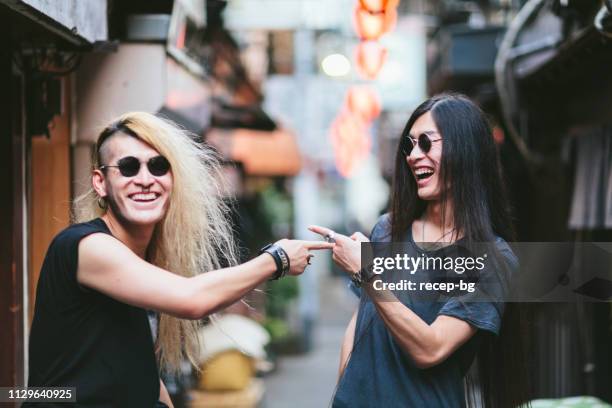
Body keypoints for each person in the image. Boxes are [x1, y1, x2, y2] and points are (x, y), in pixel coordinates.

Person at [25, 112, 333, 407]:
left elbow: (140, 370)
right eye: (129, 167)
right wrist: (276, 259)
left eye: (159, 166)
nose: (145, 179)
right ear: (100, 183)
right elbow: (192, 299)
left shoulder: (139, 261)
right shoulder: (86, 246)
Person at [310, 93, 529, 407]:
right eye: (410, 145)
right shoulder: (388, 229)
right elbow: (361, 321)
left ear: (465, 151)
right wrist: (344, 386)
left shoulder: (493, 259)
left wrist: (366, 271)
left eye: (426, 143)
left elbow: (431, 349)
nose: (414, 155)